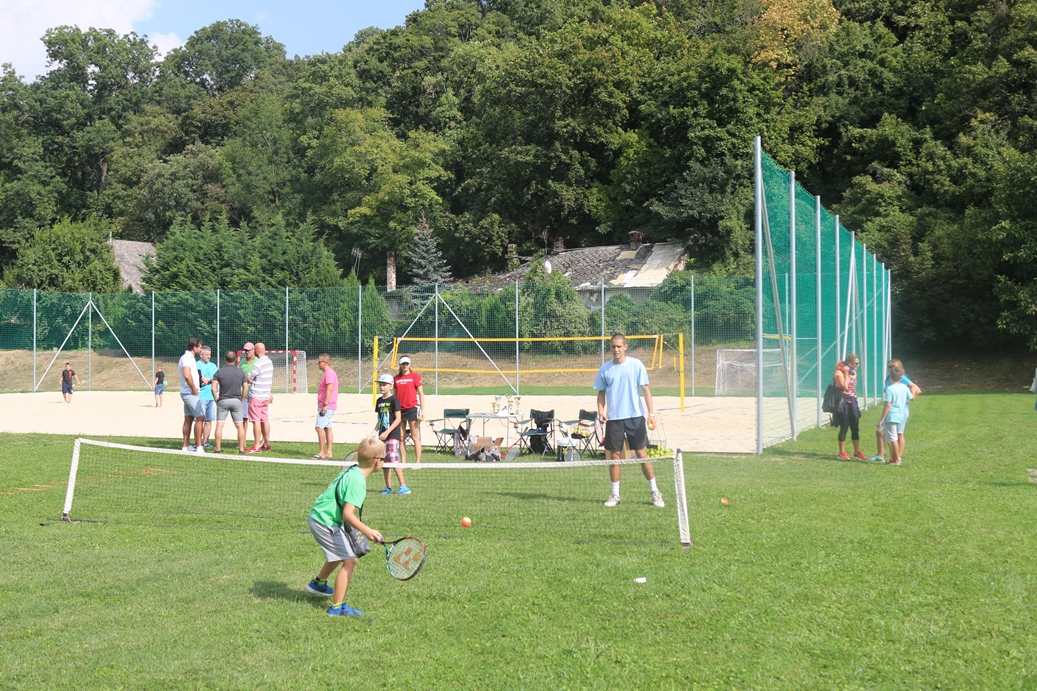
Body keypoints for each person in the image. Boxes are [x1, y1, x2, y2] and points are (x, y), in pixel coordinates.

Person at [305, 437, 386, 617]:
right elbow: (347, 514)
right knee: (350, 561)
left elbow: (330, 486)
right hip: (324, 522)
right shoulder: (358, 483)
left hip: (319, 516)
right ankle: (337, 608)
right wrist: (368, 531)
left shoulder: (351, 469)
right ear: (377, 461)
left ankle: (318, 584)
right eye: (384, 458)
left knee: (339, 553)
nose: (384, 461)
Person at [594, 333, 665, 508]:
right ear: (610, 348)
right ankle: (615, 495)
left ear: (625, 347)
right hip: (614, 419)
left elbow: (646, 390)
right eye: (613, 346)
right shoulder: (605, 369)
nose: (616, 349)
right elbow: (601, 393)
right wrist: (601, 411)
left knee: (642, 454)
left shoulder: (636, 365)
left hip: (635, 417)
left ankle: (655, 492)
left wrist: (651, 414)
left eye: (619, 346)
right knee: (614, 457)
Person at [868, 359, 922, 462]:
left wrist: (908, 398)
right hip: (890, 411)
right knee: (880, 431)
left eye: (892, 367)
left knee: (898, 434)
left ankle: (897, 457)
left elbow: (917, 389)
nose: (890, 369)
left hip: (901, 410)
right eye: (889, 367)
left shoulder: (902, 378)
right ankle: (881, 455)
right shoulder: (888, 378)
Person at [375, 373, 409, 495]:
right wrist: (375, 431)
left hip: (392, 435)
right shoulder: (379, 401)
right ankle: (388, 487)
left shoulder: (394, 400)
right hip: (382, 436)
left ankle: (404, 486)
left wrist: (387, 432)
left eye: (384, 385)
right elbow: (380, 419)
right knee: (384, 462)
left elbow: (398, 419)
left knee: (394, 460)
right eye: (380, 385)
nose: (381, 387)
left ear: (391, 386)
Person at [877, 361, 914, 466]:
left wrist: (882, 419)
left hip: (891, 415)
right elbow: (911, 397)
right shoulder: (904, 387)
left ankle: (896, 460)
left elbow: (887, 405)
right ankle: (894, 458)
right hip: (901, 414)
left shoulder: (890, 389)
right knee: (895, 436)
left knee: (893, 439)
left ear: (891, 377)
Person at [213, 350, 249, 454]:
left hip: (223, 400)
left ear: (225, 359)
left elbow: (213, 388)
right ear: (236, 360)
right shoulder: (240, 372)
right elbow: (246, 388)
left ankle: (218, 449)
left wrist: (216, 399)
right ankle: (241, 449)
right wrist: (242, 399)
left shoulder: (219, 372)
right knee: (239, 425)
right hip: (236, 400)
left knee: (219, 425)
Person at [393, 356, 425, 464]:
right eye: (403, 364)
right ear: (400, 365)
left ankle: (417, 463)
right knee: (401, 437)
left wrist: (422, 410)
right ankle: (403, 463)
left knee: (415, 437)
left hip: (412, 408)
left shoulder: (415, 376)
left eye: (407, 364)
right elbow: (395, 395)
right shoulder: (396, 378)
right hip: (400, 410)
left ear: (410, 365)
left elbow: (421, 394)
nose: (405, 366)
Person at [834, 354, 866, 461]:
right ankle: (841, 452)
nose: (858, 365)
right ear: (849, 364)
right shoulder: (839, 373)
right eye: (856, 363)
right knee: (844, 427)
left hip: (853, 402)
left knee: (855, 427)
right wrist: (846, 373)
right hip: (843, 402)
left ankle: (857, 452)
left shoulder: (854, 373)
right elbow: (844, 386)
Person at [246, 342, 274, 454]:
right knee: (265, 420)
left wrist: (249, 379)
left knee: (256, 421)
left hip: (256, 396)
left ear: (257, 351)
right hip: (265, 396)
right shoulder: (269, 362)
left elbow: (249, 378)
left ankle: (257, 445)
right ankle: (266, 443)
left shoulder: (258, 363)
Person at [179, 338, 205, 454]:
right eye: (200, 347)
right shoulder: (187, 358)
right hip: (190, 392)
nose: (201, 349)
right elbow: (186, 374)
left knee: (188, 418)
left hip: (188, 392)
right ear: (194, 347)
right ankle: (199, 446)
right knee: (200, 417)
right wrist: (194, 388)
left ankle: (185, 446)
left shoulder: (189, 358)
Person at [314, 354, 339, 460]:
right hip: (328, 405)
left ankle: (321, 452)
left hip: (327, 406)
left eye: (319, 362)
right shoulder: (328, 373)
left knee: (318, 427)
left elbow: (329, 389)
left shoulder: (329, 374)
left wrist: (325, 405)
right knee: (327, 428)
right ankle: (329, 452)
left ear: (325, 362)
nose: (318, 363)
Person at [196, 346, 219, 448]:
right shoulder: (196, 365)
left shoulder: (213, 366)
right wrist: (202, 379)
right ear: (201, 355)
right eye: (207, 355)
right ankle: (197, 441)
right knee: (199, 420)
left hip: (211, 396)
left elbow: (217, 378)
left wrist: (208, 379)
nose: (209, 356)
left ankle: (205, 441)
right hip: (200, 396)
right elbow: (196, 378)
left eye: (210, 354)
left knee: (209, 420)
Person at [239, 343, 257, 445]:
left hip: (255, 393)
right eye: (245, 350)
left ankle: (258, 442)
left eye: (249, 350)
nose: (247, 352)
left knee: (256, 419)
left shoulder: (258, 361)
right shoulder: (242, 362)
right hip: (245, 394)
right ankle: (243, 441)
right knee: (244, 418)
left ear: (254, 350)